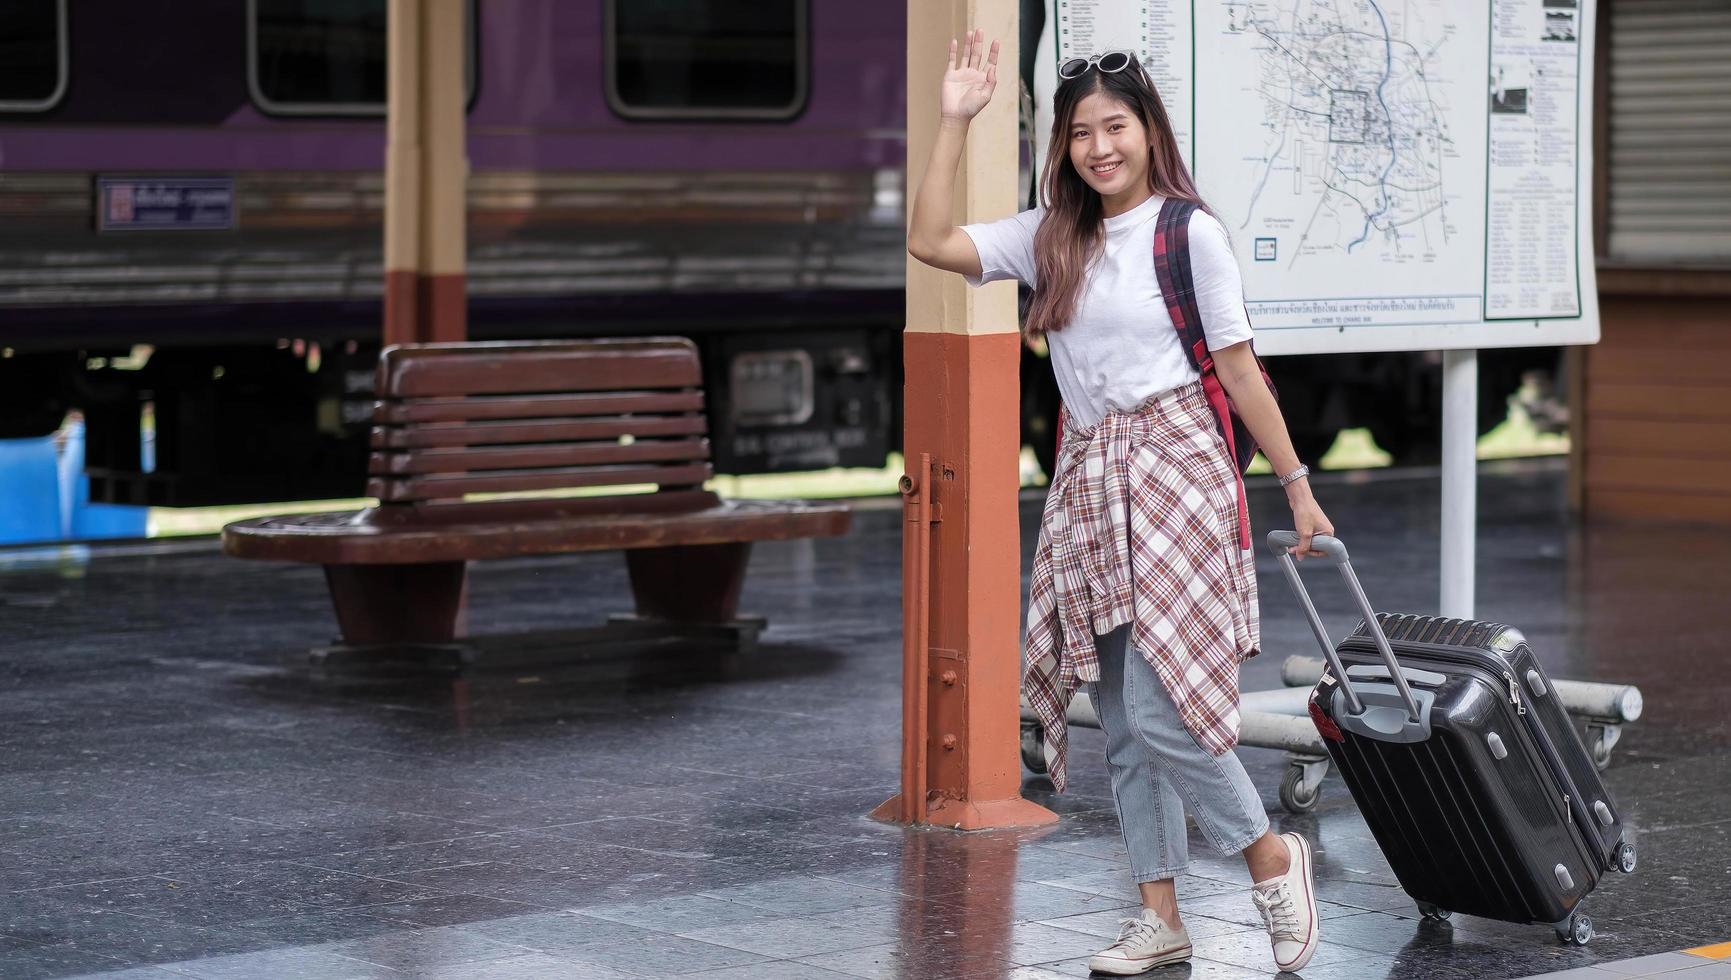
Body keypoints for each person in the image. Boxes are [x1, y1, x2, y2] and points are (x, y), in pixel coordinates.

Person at [906, 31, 1335, 976]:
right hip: (1091, 476)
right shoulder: (1050, 235)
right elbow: (929, 240)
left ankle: (1269, 856)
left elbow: (1238, 370)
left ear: (1149, 131)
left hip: (1177, 464)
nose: (1100, 147)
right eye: (1080, 134)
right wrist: (953, 121)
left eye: (1117, 126)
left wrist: (1297, 485)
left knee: (1161, 707)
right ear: (1061, 147)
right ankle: (1160, 914)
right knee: (1121, 711)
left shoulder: (1190, 232)